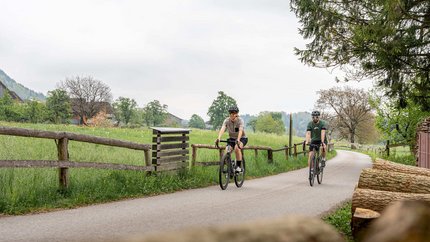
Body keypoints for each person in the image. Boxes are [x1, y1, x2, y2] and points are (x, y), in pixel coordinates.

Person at [215, 106, 248, 172]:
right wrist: (218, 138)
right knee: (227, 151)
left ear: (237, 114)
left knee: (237, 148)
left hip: (242, 138)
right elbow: (223, 129)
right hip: (232, 138)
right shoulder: (227, 121)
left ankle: (238, 166)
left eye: (234, 113)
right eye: (231, 113)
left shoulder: (240, 120)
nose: (232, 115)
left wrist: (238, 139)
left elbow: (241, 130)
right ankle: (230, 169)